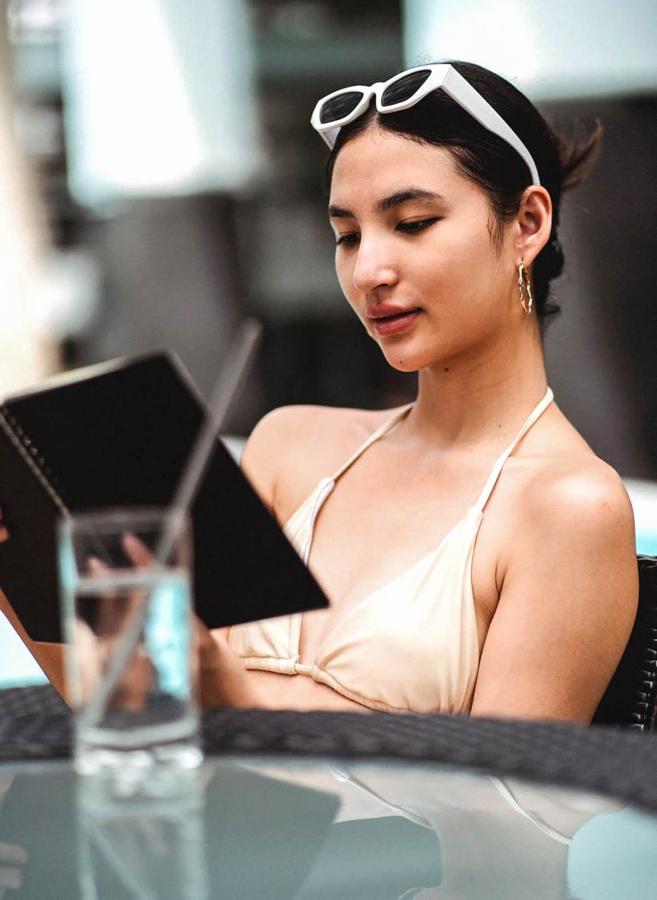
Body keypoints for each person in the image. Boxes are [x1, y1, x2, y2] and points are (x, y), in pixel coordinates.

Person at [197, 60, 638, 722]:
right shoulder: (287, 447)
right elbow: (151, 707)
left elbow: (505, 815)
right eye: (346, 235)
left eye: (411, 223)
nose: (367, 270)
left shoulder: (565, 509)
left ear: (525, 224)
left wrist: (240, 696)